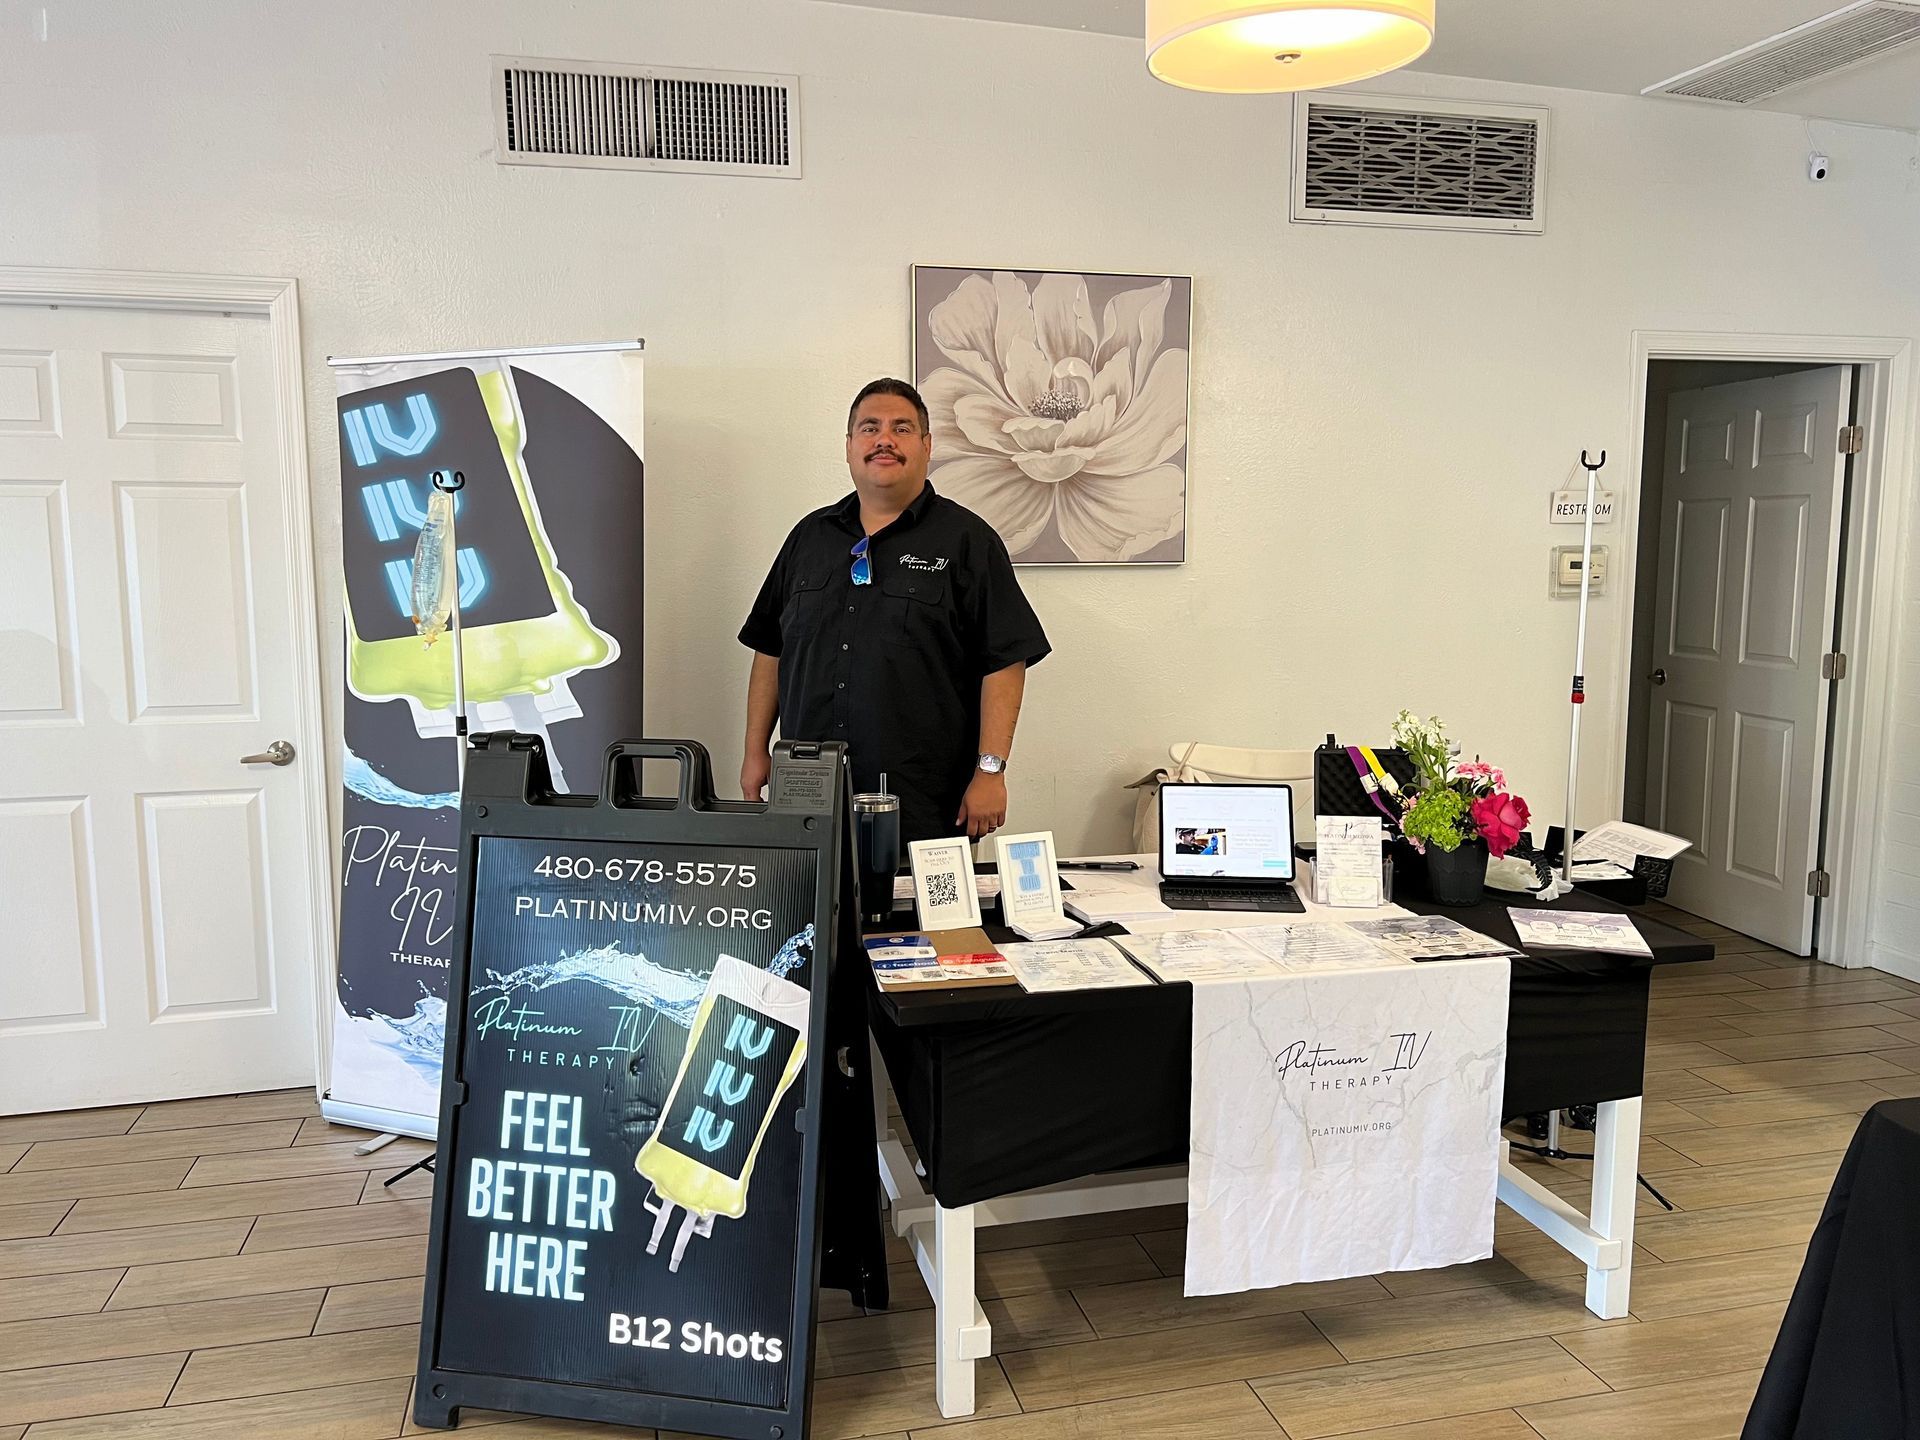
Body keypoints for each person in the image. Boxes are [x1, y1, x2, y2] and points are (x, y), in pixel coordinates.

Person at [738, 378, 1050, 843]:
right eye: (870, 428)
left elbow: (1005, 661)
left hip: (925, 802)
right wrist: (754, 751)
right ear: (849, 447)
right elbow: (771, 651)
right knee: (807, 912)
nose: (884, 439)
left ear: (926, 446)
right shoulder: (808, 538)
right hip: (807, 795)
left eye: (901, 428)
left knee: (928, 918)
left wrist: (991, 771)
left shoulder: (967, 542)